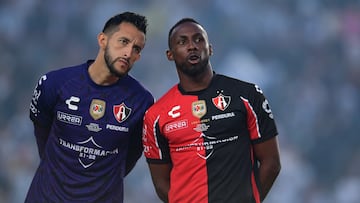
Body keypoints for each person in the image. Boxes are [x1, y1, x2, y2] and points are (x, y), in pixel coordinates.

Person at [142, 18, 281, 203]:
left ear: (210, 48)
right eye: (182, 42)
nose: (192, 46)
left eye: (198, 39)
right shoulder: (156, 115)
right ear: (170, 54)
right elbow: (161, 183)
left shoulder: (247, 95)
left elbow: (271, 163)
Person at [26, 11, 154, 202]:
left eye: (137, 49)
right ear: (102, 40)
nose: (128, 53)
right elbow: (42, 136)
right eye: (123, 42)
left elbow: (130, 156)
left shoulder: (141, 101)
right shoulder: (55, 83)